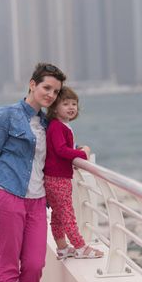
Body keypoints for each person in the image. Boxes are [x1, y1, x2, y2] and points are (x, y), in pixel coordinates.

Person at [0, 63, 66, 282]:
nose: (51, 95)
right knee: (9, 267)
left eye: (55, 91)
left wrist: (79, 150)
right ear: (32, 84)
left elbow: (56, 152)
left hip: (37, 202)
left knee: (35, 266)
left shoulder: (47, 124)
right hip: (8, 195)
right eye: (46, 88)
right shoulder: (7, 115)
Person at [44, 86, 104, 259]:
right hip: (58, 178)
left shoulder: (61, 125)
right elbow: (61, 150)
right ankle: (80, 247)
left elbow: (62, 149)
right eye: (65, 104)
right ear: (55, 107)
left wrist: (75, 150)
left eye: (74, 104)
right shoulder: (57, 126)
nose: (71, 107)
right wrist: (82, 153)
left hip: (54, 177)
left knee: (58, 214)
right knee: (67, 214)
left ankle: (63, 247)